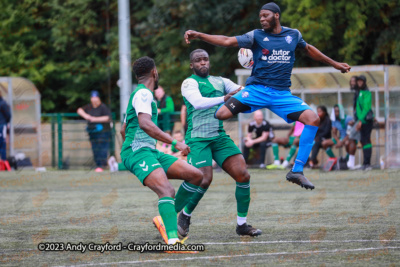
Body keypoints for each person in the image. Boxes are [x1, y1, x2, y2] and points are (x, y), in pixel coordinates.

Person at [184, 2, 351, 190]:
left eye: (266, 16)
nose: (262, 19)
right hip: (256, 91)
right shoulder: (256, 36)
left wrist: (335, 64)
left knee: (313, 119)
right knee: (221, 114)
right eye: (260, 16)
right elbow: (227, 41)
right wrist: (199, 35)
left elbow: (309, 49)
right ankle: (210, 143)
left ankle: (297, 170)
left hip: (281, 94)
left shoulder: (293, 35)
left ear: (276, 16)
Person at [178, 49, 261, 238]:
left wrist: (256, 77)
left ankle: (242, 225)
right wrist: (224, 98)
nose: (203, 63)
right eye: (198, 60)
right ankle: (185, 214)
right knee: (204, 179)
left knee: (243, 175)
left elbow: (241, 90)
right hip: (198, 138)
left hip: (219, 136)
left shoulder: (220, 81)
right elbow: (198, 102)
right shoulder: (189, 82)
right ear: (192, 65)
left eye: (205, 59)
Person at [120, 56, 203, 246]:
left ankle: (165, 218)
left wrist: (138, 146)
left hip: (148, 151)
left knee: (196, 176)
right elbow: (145, 124)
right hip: (138, 152)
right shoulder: (144, 94)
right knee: (167, 190)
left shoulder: (139, 94)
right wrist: (176, 143)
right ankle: (173, 240)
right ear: (154, 72)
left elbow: (123, 129)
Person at [77, 91, 112, 172]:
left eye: (96, 97)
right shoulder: (89, 107)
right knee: (95, 148)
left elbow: (107, 117)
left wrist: (94, 119)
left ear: (98, 98)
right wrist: (87, 116)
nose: (94, 99)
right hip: (93, 132)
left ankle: (102, 165)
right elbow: (79, 110)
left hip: (103, 132)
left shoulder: (103, 107)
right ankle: (98, 165)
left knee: (102, 148)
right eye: (92, 97)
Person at [347, 75, 373, 170]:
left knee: (366, 141)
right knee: (363, 141)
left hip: (365, 121)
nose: (359, 83)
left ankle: (367, 164)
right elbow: (357, 108)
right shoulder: (359, 92)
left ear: (364, 82)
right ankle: (365, 164)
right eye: (359, 81)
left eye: (361, 81)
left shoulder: (367, 93)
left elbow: (366, 108)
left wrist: (360, 121)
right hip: (360, 120)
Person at [0, 91, 11, 160]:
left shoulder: (3, 103)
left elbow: (8, 115)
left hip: (1, 125)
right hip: (2, 125)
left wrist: (6, 123)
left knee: (2, 144)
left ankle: (3, 163)